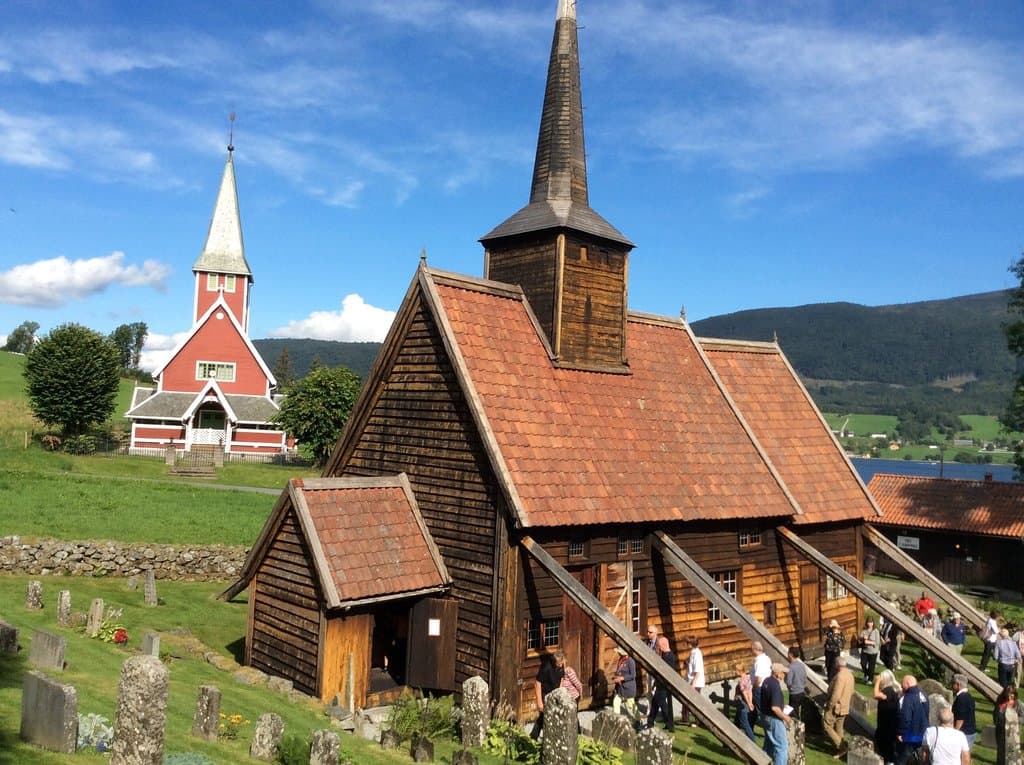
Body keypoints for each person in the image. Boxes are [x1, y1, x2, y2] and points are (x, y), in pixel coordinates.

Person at [761, 662, 792, 765]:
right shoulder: (775, 686)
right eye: (783, 672)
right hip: (774, 719)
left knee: (769, 744)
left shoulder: (767, 681)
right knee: (782, 747)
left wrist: (782, 705)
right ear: (778, 673)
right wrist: (786, 718)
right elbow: (774, 708)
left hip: (764, 716)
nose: (785, 674)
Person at [646, 636, 678, 732]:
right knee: (655, 703)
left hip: (664, 685)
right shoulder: (664, 655)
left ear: (663, 646)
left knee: (662, 704)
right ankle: (650, 722)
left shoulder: (670, 657)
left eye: (659, 646)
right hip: (660, 683)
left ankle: (669, 724)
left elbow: (668, 672)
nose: (658, 648)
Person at [824, 662, 855, 757]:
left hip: (836, 706)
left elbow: (836, 694)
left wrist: (830, 705)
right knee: (839, 727)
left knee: (827, 725)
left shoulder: (840, 677)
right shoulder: (850, 675)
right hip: (845, 706)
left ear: (837, 665)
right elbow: (852, 691)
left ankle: (842, 747)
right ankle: (841, 749)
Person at [897, 674, 929, 765]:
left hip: (910, 736)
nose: (901, 686)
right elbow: (926, 713)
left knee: (902, 759)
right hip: (923, 733)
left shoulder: (908, 698)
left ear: (907, 683)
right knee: (920, 759)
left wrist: (900, 732)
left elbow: (905, 717)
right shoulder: (924, 694)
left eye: (902, 684)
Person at [531, 651, 565, 738]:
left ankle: (552, 736)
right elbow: (537, 683)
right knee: (544, 716)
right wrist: (539, 702)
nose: (561, 665)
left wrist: (560, 691)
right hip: (546, 694)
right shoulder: (546, 668)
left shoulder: (561, 665)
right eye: (559, 664)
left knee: (555, 715)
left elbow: (561, 678)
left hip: (556, 693)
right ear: (554, 662)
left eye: (562, 663)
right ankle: (535, 737)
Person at [873, 669, 901, 765]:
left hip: (886, 725)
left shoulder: (888, 691)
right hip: (889, 723)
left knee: (886, 748)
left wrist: (877, 681)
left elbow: (876, 695)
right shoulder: (893, 690)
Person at [951, 674, 977, 751]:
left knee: (962, 757)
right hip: (970, 731)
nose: (952, 685)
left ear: (958, 685)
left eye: (953, 683)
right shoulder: (968, 696)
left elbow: (960, 719)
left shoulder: (961, 699)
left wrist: (954, 733)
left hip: (965, 733)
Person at [993, 685, 1018, 765]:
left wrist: (1015, 721)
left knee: (1010, 750)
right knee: (1000, 750)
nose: (1010, 696)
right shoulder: (999, 701)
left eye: (1012, 694)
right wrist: (996, 721)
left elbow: (1022, 716)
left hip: (1011, 732)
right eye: (1008, 693)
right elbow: (994, 713)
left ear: (1014, 694)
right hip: (1000, 730)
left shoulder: (1017, 704)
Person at [683, 636, 705, 726]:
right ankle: (685, 719)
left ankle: (698, 721)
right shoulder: (692, 653)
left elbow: (698, 670)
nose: (686, 644)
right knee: (686, 700)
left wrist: (693, 684)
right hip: (690, 681)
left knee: (695, 702)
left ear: (691, 644)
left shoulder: (697, 654)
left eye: (687, 643)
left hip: (695, 682)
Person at [733, 661, 757, 742]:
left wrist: (748, 703)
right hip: (745, 703)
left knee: (744, 723)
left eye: (735, 670)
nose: (734, 672)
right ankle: (731, 740)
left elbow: (744, 693)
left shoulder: (741, 681)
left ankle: (752, 740)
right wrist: (750, 703)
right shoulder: (748, 678)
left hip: (741, 703)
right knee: (736, 722)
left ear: (739, 671)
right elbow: (750, 691)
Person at [611, 646, 637, 716]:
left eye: (619, 653)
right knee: (616, 702)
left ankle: (638, 720)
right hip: (620, 687)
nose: (618, 654)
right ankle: (617, 720)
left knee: (631, 705)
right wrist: (616, 677)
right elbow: (619, 671)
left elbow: (633, 675)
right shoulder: (621, 660)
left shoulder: (631, 662)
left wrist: (622, 678)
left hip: (628, 688)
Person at [785, 645, 807, 721]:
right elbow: (804, 678)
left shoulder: (790, 667)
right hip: (801, 691)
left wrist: (790, 688)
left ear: (791, 655)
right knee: (798, 711)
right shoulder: (802, 665)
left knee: (793, 713)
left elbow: (788, 681)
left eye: (788, 653)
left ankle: (797, 728)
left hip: (794, 693)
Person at [751, 640, 772, 718]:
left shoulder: (759, 661)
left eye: (752, 649)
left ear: (755, 649)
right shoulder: (767, 658)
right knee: (766, 706)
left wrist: (754, 687)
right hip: (767, 685)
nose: (751, 651)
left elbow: (758, 678)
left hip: (759, 687)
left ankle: (766, 724)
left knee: (761, 709)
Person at [860, 617, 881, 683]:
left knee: (871, 666)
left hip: (873, 652)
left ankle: (870, 679)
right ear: (866, 623)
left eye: (871, 622)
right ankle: (866, 674)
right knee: (863, 664)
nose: (869, 624)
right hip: (865, 650)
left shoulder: (876, 631)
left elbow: (877, 642)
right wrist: (863, 637)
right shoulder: (864, 630)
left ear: (873, 623)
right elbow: (860, 637)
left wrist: (869, 642)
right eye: (868, 622)